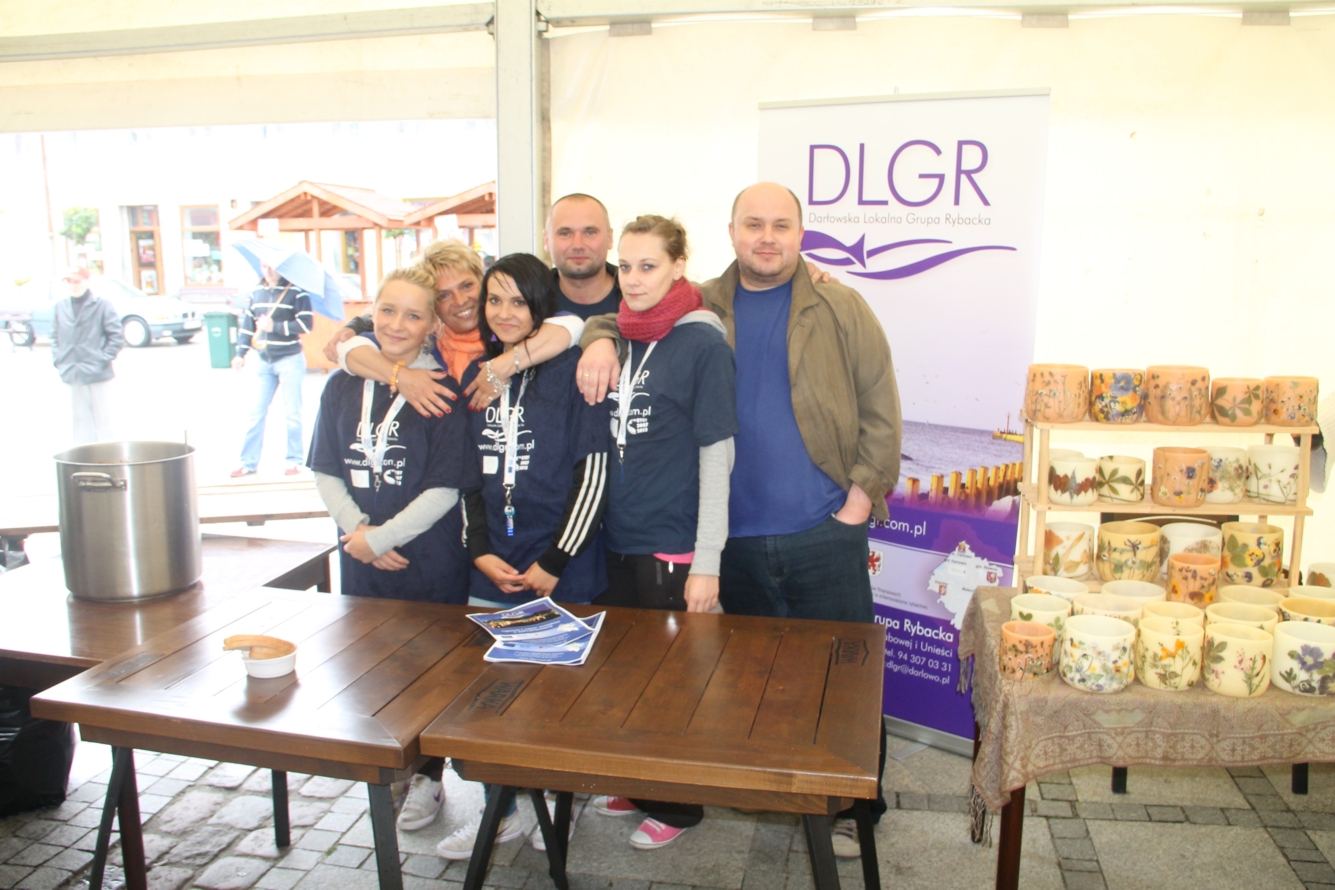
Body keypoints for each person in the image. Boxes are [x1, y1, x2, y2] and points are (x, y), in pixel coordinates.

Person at [576, 183, 902, 858]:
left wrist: (857, 503)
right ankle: (782, 793)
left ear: (801, 233)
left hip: (823, 529)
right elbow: (627, 309)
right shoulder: (702, 303)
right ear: (730, 232)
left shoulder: (839, 304)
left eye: (781, 225)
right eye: (753, 224)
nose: (767, 237)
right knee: (763, 686)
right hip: (737, 540)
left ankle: (854, 810)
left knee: (844, 678)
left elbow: (881, 407)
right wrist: (598, 338)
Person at [587, 215, 738, 851]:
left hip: (673, 542)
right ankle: (640, 781)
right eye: (625, 266)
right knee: (630, 675)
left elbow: (717, 456)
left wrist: (708, 561)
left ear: (679, 267)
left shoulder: (703, 345)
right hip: (619, 538)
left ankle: (678, 804)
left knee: (674, 682)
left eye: (648, 266)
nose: (633, 278)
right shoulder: (623, 336)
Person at [460, 253, 609, 609]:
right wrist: (478, 551)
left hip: (564, 570)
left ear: (540, 304)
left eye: (519, 302)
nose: (504, 314)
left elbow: (593, 475)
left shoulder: (574, 370)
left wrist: (556, 559)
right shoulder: (477, 376)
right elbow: (466, 474)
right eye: (494, 300)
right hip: (491, 569)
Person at [323, 240, 583, 416]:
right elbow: (348, 350)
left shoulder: (512, 332)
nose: (460, 301)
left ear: (483, 280)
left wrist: (502, 365)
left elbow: (572, 325)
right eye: (443, 295)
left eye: (467, 286)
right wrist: (401, 377)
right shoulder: (426, 343)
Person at [231, 264, 314, 476]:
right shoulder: (256, 292)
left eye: (272, 267)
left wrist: (275, 327)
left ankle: (294, 460)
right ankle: (247, 462)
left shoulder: (297, 292)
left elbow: (306, 325)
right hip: (263, 360)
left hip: (289, 360)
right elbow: (247, 326)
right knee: (255, 413)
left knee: (292, 413)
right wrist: (240, 353)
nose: (267, 271)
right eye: (264, 266)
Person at [52, 266, 123, 445]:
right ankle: (84, 457)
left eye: (77, 281)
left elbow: (116, 336)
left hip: (98, 372)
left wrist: (102, 359)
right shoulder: (60, 306)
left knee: (105, 420)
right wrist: (59, 359)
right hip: (72, 372)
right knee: (80, 422)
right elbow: (54, 336)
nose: (74, 285)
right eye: (70, 282)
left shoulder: (101, 305)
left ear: (87, 282)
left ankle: (108, 457)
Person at [544, 193, 622, 319]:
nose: (578, 245)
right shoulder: (526, 301)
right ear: (546, 240)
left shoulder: (645, 297)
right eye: (565, 233)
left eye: (590, 232)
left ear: (610, 238)